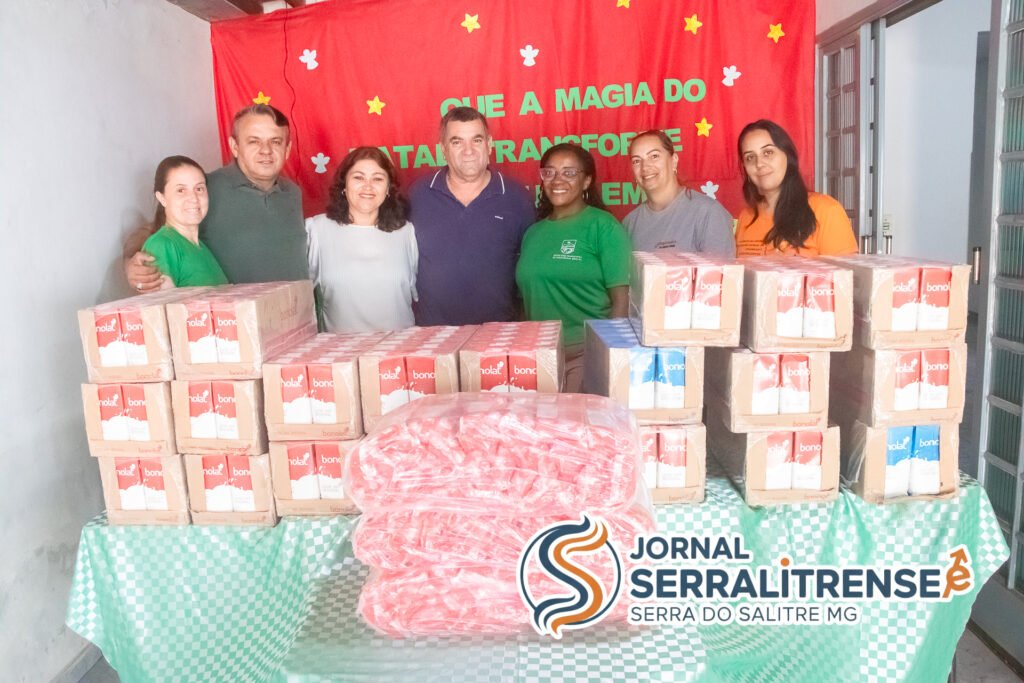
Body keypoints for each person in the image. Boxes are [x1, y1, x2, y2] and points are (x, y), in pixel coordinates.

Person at [124, 104, 306, 291]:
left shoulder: (293, 194)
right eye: (254, 141)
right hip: (236, 309)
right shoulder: (205, 189)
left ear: (287, 149)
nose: (266, 150)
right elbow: (154, 232)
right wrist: (132, 264)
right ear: (235, 147)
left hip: (296, 308)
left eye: (275, 141)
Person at [515, 143, 632, 393]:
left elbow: (621, 302)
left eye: (569, 172)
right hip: (539, 357)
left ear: (586, 181)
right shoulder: (532, 233)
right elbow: (526, 303)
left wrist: (607, 358)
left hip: (586, 355)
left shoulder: (604, 227)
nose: (558, 180)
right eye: (550, 172)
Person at [409, 106, 535, 325]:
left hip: (499, 334)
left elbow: (531, 271)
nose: (469, 151)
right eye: (457, 142)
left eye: (476, 140)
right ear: (443, 149)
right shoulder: (417, 195)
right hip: (433, 336)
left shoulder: (517, 198)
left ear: (489, 144)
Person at [305, 147, 417, 333]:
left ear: (388, 189)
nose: (368, 186)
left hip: (400, 346)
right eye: (358, 177)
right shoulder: (316, 229)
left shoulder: (405, 232)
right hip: (339, 349)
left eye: (378, 179)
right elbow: (299, 297)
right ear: (344, 184)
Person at [735, 119, 858, 257]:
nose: (759, 164)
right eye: (750, 157)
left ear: (788, 156)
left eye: (768, 153)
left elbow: (846, 271)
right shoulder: (746, 217)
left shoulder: (826, 210)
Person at [623, 129, 735, 257]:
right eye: (636, 161)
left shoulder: (709, 213)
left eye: (654, 156)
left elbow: (723, 269)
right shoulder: (629, 223)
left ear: (674, 160)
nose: (645, 167)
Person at [141, 156, 227, 288]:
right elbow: (162, 301)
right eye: (181, 190)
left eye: (199, 189)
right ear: (162, 198)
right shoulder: (161, 245)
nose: (194, 198)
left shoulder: (201, 247)